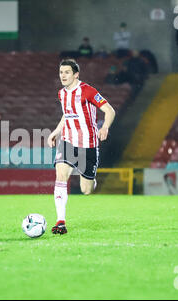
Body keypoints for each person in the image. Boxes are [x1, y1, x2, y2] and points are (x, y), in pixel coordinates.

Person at [47, 59, 116, 235]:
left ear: (76, 74)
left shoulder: (88, 91)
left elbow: (109, 110)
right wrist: (56, 131)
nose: (63, 75)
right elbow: (66, 114)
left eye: (67, 72)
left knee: (86, 190)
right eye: (61, 72)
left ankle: (91, 179)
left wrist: (105, 126)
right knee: (60, 175)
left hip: (88, 144)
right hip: (68, 141)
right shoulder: (61, 93)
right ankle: (60, 222)